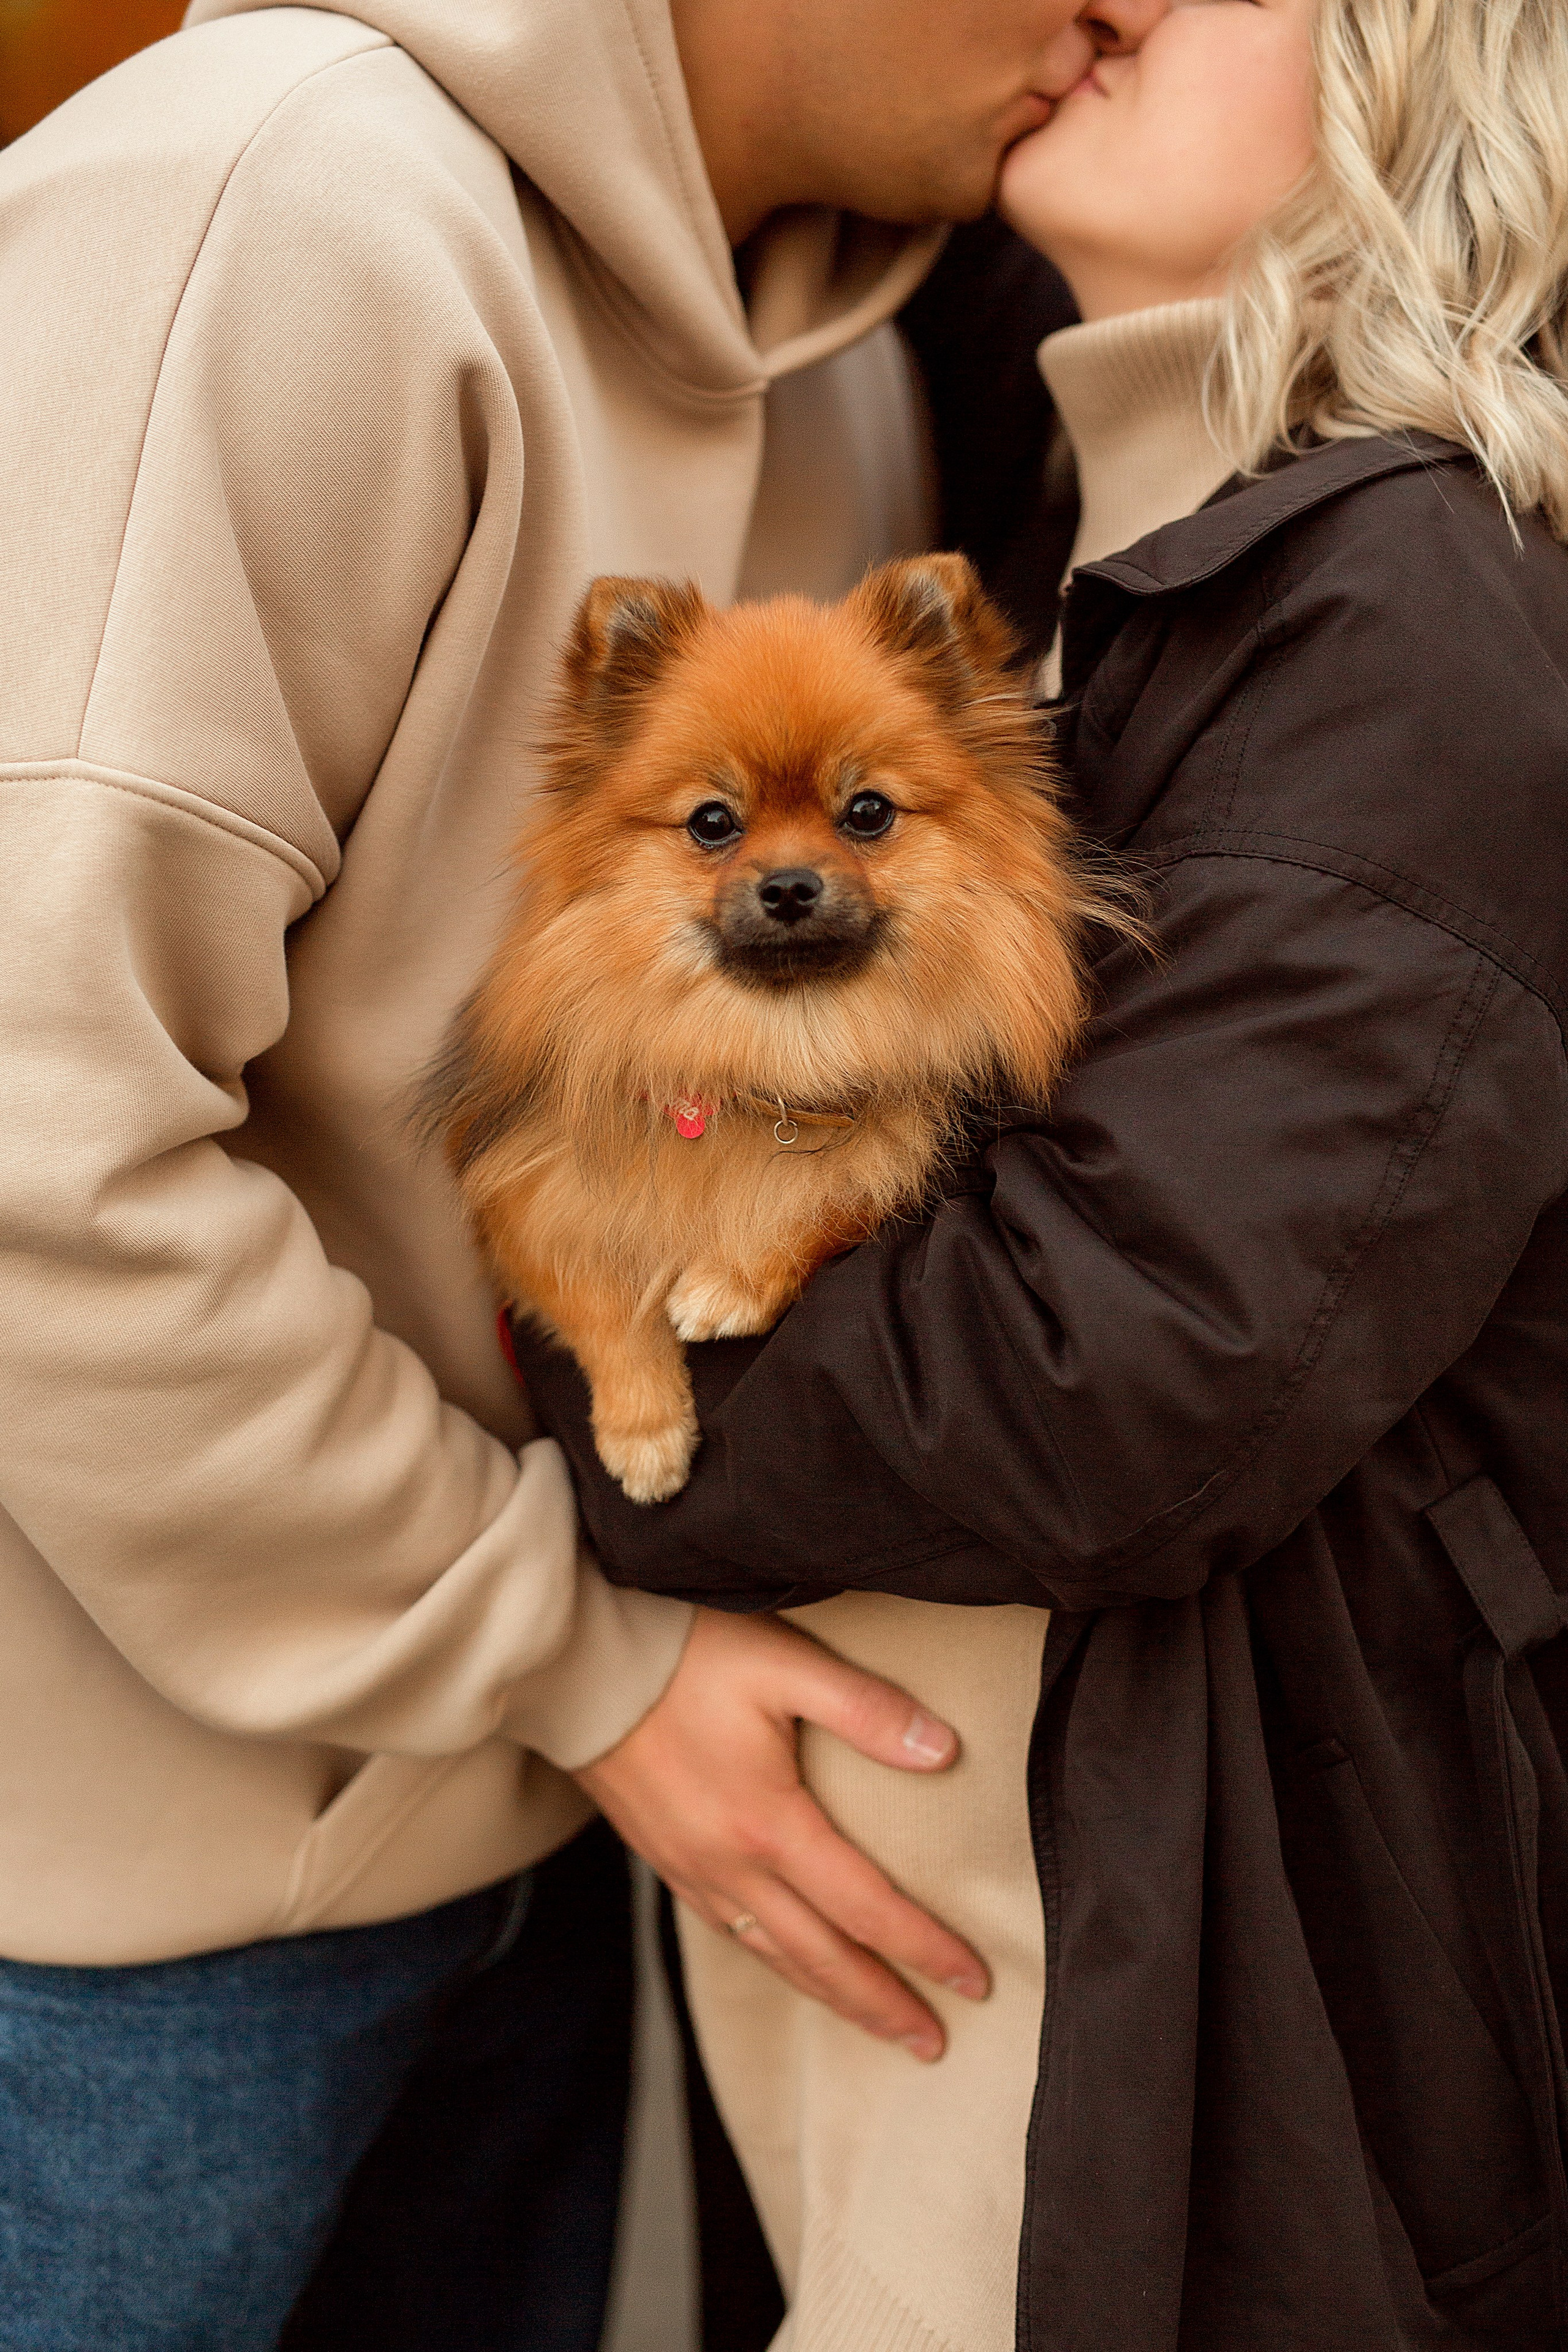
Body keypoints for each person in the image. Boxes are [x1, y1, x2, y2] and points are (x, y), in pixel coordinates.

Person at [0, 2, 1107, 2344]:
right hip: (99, 1931)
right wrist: (571, 1656)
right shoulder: (267, 217)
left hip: (536, 1807)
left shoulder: (836, 349)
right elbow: (34, 1134)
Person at [519, 0, 1568, 2344]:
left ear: (1424, 73)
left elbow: (1103, 1375)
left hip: (1159, 1960)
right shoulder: (1095, 532)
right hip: (966, 1927)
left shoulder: (1404, 606)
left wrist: (526, 1354)